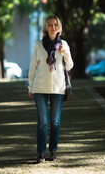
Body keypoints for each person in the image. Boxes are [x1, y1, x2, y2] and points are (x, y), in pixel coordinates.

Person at [28, 15, 74, 163]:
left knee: (55, 121)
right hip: (39, 87)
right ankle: (41, 153)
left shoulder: (64, 44)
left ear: (59, 27)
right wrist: (30, 86)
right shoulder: (38, 45)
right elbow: (32, 68)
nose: (53, 27)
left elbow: (71, 65)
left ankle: (53, 151)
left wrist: (64, 53)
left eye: (55, 25)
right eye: (50, 25)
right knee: (42, 121)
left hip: (58, 88)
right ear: (46, 28)